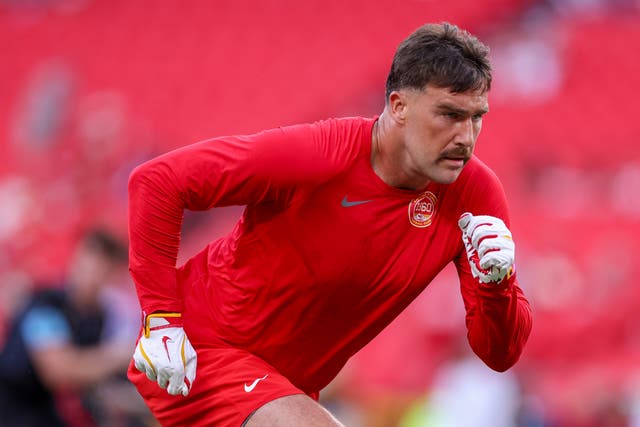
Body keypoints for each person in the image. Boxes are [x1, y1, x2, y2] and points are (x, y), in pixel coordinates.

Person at [127, 22, 533, 426]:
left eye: (476, 117)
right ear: (398, 106)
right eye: (449, 114)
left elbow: (499, 357)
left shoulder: (477, 196)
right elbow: (158, 181)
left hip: (286, 385)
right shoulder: (322, 154)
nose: (466, 136)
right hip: (201, 350)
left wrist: (498, 286)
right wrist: (162, 320)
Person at [0, 228, 136, 427]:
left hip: (43, 411)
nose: (92, 274)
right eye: (89, 263)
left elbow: (92, 381)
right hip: (10, 410)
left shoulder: (98, 317)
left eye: (102, 268)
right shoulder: (45, 305)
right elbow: (59, 371)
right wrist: (121, 355)